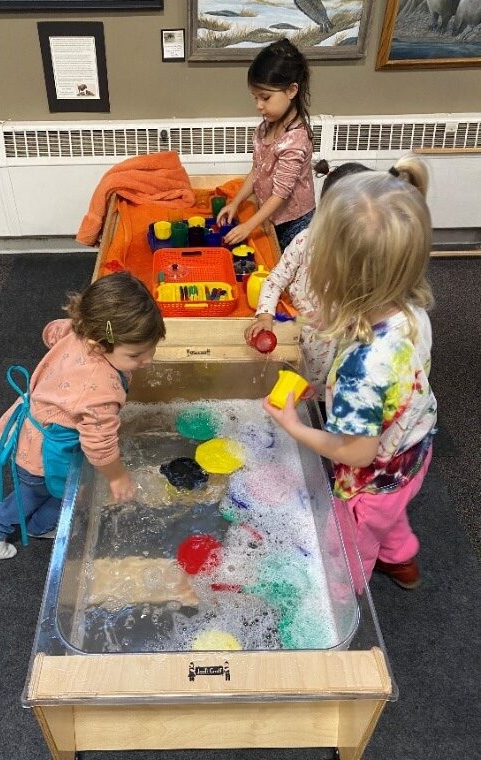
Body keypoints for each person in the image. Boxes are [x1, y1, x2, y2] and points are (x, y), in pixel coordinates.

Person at [263, 158, 436, 590]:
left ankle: (340, 595)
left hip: (370, 479)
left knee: (345, 548)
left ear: (337, 276)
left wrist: (293, 427)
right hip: (413, 453)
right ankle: (402, 561)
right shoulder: (412, 310)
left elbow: (356, 453)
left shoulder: (363, 366)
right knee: (389, 516)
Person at [0, 272, 166, 560]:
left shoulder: (80, 330)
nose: (148, 360)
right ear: (97, 345)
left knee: (48, 490)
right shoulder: (101, 389)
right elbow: (99, 446)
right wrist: (116, 477)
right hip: (43, 451)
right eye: (136, 355)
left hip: (30, 423)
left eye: (152, 349)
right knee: (40, 492)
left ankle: (40, 525)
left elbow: (50, 331)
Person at [244, 159, 372, 399]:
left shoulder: (367, 253)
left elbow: (372, 300)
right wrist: (265, 316)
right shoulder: (305, 241)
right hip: (306, 330)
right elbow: (275, 280)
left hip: (345, 336)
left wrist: (345, 318)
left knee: (338, 386)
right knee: (304, 383)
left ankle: (325, 408)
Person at [216, 38, 315, 252]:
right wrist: (235, 202)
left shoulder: (295, 139)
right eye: (255, 98)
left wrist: (248, 226)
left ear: (291, 91)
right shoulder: (264, 128)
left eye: (265, 98)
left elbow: (281, 193)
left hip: (295, 224)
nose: (259, 105)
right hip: (270, 216)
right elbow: (257, 170)